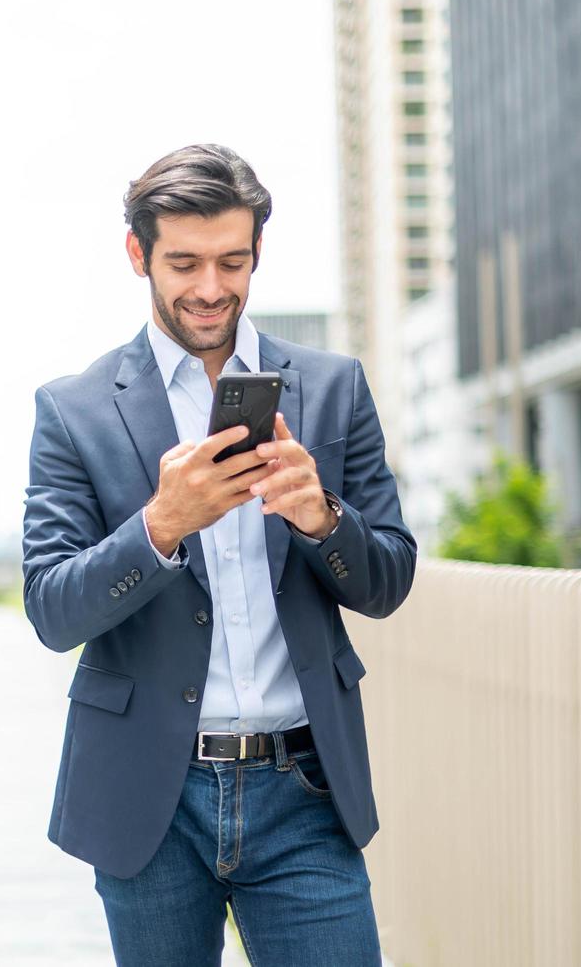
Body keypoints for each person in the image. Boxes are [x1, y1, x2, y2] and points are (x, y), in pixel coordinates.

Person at [21, 143, 416, 965]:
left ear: (257, 253)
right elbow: (53, 612)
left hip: (302, 789)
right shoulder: (74, 410)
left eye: (232, 262)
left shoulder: (331, 386)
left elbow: (386, 583)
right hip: (148, 799)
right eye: (185, 263)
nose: (210, 289)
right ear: (138, 255)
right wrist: (161, 525)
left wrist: (319, 517)